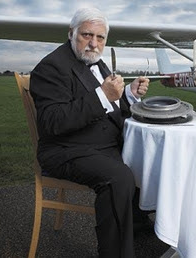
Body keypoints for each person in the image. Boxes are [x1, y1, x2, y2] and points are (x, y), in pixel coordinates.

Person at [30, 7, 150, 257]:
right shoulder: (51, 67)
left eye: (100, 38)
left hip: (100, 144)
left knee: (149, 159)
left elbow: (110, 104)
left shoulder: (96, 62)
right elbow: (53, 123)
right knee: (119, 177)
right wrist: (102, 95)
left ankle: (137, 227)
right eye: (86, 35)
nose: (93, 43)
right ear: (71, 33)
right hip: (65, 150)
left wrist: (128, 93)